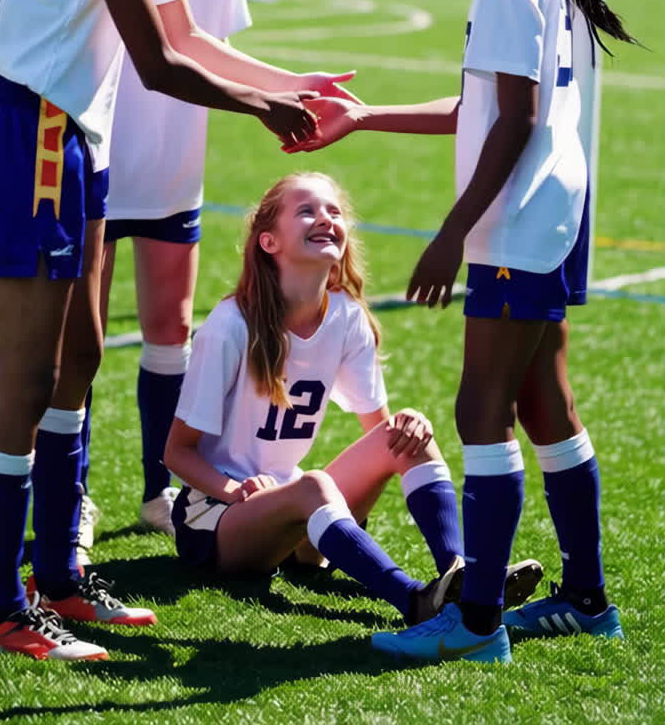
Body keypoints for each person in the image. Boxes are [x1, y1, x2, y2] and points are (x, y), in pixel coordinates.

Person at [0, 0, 344, 661]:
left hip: (71, 139)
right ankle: (1, 606)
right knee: (27, 378)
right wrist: (266, 105)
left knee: (80, 358)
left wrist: (280, 88)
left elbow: (165, 43)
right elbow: (158, 57)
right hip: (37, 136)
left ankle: (58, 575)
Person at [288, 0, 631, 664]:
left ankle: (476, 624)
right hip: (552, 208)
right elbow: (483, 108)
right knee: (541, 402)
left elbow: (510, 123)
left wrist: (450, 233)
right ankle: (587, 598)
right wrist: (364, 119)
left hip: (519, 217)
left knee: (482, 411)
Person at [164, 171, 542, 626]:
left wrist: (406, 425)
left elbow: (382, 437)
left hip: (290, 507)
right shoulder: (230, 326)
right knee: (315, 485)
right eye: (306, 210)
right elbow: (177, 453)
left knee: (406, 433)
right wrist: (236, 489)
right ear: (269, 242)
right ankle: (415, 601)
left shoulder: (346, 316)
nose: (324, 218)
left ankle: (460, 574)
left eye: (333, 211)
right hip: (216, 518)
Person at [85, 0, 252, 548]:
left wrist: (286, 86)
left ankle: (161, 488)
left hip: (174, 168)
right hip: (92, 155)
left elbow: (202, 45)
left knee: (169, 332)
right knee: (78, 342)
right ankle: (77, 490)